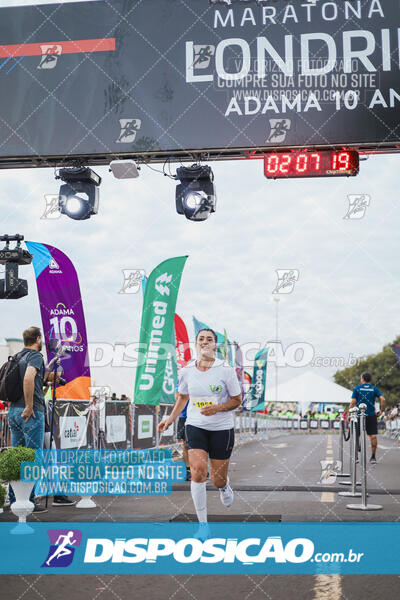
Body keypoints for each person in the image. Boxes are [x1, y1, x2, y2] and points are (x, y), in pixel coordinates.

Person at [158, 328, 241, 537]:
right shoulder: (187, 370)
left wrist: (217, 408)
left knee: (218, 479)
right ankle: (203, 526)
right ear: (196, 344)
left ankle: (224, 487)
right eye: (201, 339)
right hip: (195, 425)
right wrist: (170, 419)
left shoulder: (225, 370)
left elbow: (237, 400)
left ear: (215, 345)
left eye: (209, 339)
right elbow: (183, 397)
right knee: (197, 471)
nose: (205, 342)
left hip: (221, 428)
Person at [7, 327, 48, 512]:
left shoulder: (17, 356)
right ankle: (29, 499)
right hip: (29, 413)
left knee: (18, 456)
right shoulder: (35, 356)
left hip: (14, 411)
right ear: (37, 339)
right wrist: (30, 406)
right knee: (32, 457)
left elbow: (34, 379)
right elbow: (28, 378)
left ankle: (15, 497)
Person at [350, 372, 385, 464]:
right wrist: (381, 411)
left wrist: (350, 413)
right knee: (373, 435)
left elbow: (353, 402)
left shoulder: (357, 388)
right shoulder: (374, 388)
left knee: (356, 436)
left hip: (358, 415)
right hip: (371, 415)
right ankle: (373, 457)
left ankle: (356, 457)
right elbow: (383, 399)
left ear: (362, 379)